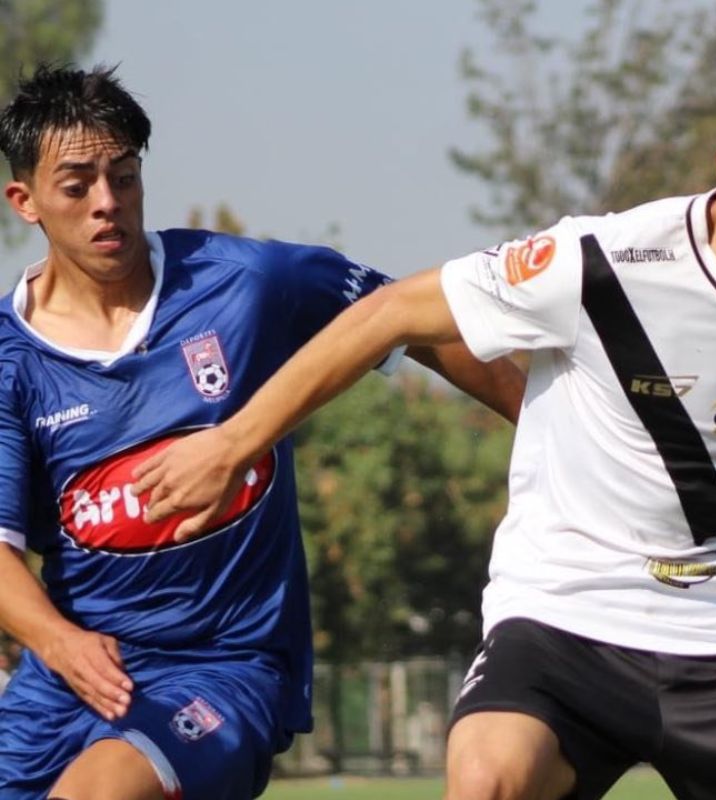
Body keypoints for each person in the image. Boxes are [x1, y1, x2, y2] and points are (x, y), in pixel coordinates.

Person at [134, 55, 716, 800]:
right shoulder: (600, 262)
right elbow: (392, 312)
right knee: (488, 779)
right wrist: (232, 440)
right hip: (567, 617)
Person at [0, 64, 523, 800]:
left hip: (223, 666)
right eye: (78, 184)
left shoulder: (244, 284)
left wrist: (543, 428)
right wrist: (59, 642)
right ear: (24, 200)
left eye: (124, 176)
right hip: (69, 676)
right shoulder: (11, 362)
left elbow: (419, 318)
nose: (108, 204)